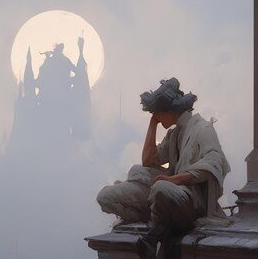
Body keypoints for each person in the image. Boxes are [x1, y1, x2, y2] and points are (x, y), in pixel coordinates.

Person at [97, 78, 230, 245]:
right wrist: (152, 125)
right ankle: (154, 215)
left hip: (191, 201)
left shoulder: (203, 128)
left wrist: (174, 179)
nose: (156, 117)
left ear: (170, 111)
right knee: (107, 195)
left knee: (161, 187)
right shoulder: (173, 134)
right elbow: (148, 160)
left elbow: (215, 161)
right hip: (167, 193)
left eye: (156, 113)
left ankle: (154, 237)